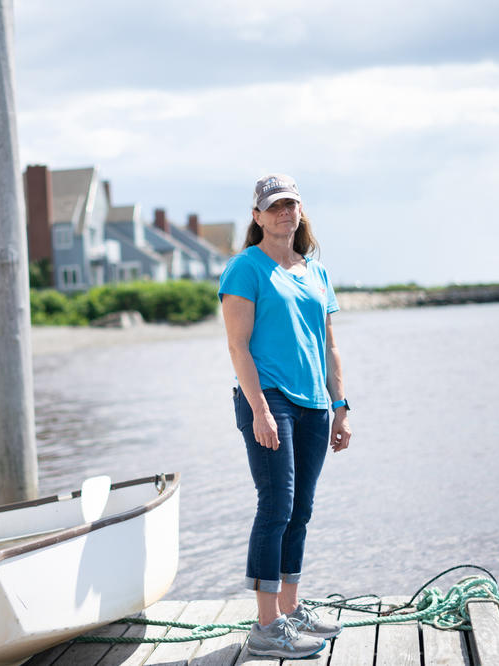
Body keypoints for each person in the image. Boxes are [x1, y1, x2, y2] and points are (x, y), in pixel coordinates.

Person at [218, 174, 352, 659]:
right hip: (269, 398)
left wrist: (340, 407)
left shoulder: (315, 271)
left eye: (290, 204)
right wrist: (258, 409)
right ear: (257, 217)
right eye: (273, 206)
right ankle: (266, 625)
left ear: (300, 212)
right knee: (276, 505)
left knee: (301, 510)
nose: (283, 212)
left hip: (315, 403)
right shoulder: (245, 268)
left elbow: (329, 345)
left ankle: (291, 610)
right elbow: (237, 346)